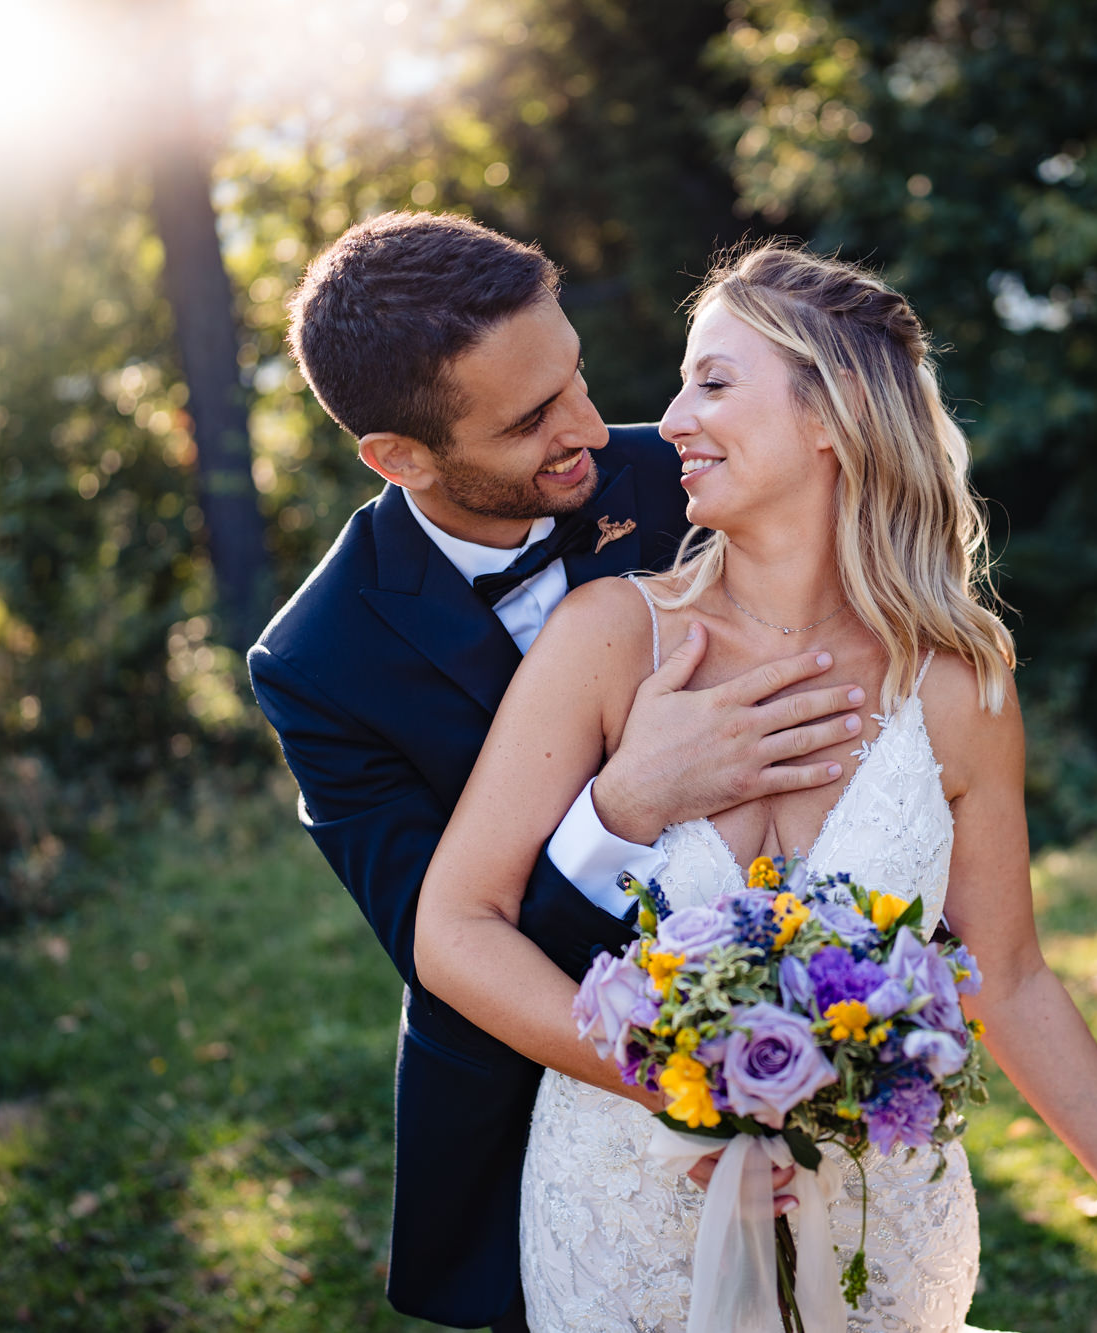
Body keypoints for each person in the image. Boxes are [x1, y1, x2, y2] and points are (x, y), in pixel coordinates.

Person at [414, 243, 1097, 1332]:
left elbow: (1007, 977)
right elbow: (455, 928)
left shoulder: (957, 682)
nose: (669, 421)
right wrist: (684, 1085)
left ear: (834, 413)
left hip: (878, 1221)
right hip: (629, 1210)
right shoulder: (609, 640)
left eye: (713, 382)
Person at [249, 213, 864, 1331]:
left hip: (799, 1047)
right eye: (531, 419)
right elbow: (444, 942)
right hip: (539, 1100)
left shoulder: (689, 475)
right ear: (399, 458)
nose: (588, 424)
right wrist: (621, 807)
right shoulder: (318, 661)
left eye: (573, 375)